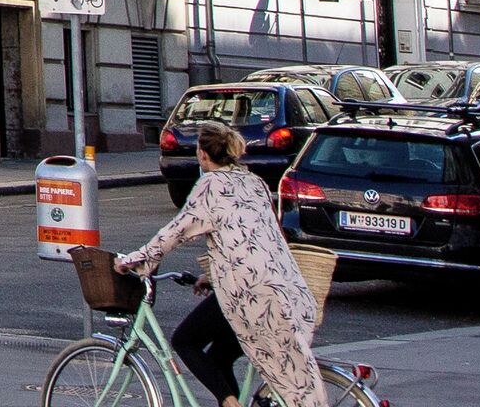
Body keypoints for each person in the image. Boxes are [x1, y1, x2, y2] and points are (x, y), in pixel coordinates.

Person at [117, 120, 325, 407]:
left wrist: (133, 260)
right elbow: (253, 239)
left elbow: (174, 233)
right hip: (286, 289)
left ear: (203, 154)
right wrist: (214, 277)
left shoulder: (210, 186)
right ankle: (229, 400)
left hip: (249, 294)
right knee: (219, 357)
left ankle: (229, 403)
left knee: (185, 341)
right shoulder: (254, 182)